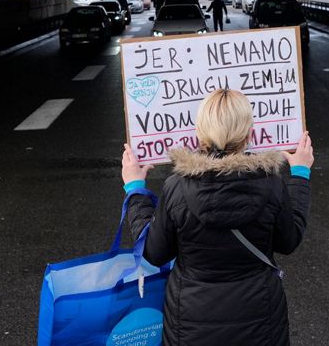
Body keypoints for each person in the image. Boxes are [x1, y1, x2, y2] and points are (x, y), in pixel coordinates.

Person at [122, 89, 313, 346]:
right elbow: (288, 242)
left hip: (191, 323)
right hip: (260, 319)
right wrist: (300, 175)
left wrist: (135, 190)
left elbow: (153, 253)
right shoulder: (271, 184)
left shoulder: (177, 186)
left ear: (200, 134)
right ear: (248, 133)